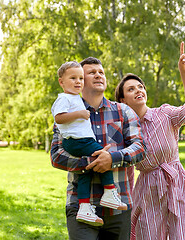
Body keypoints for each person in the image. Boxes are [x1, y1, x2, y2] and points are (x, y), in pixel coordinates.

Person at [50, 57, 146, 240]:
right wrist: (90, 163)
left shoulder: (123, 111)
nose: (98, 75)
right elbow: (56, 155)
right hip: (80, 206)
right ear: (80, 79)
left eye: (101, 72)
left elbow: (140, 148)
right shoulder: (68, 113)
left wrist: (113, 159)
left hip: (120, 206)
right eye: (91, 72)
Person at [115, 42, 185, 240]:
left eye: (140, 86)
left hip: (176, 183)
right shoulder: (123, 132)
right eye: (130, 89)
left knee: (184, 235)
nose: (138, 90)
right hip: (147, 191)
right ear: (122, 101)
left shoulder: (164, 114)